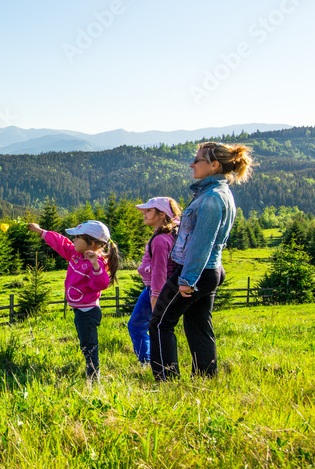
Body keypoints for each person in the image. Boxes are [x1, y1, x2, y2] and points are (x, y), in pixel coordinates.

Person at [150, 142, 254, 381]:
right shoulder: (217, 194)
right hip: (209, 270)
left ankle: (166, 380)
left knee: (159, 323)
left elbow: (201, 243)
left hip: (195, 271)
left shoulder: (211, 199)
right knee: (198, 325)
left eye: (197, 160)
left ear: (214, 165)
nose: (192, 164)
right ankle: (206, 379)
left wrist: (187, 280)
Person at [27, 220, 119, 382]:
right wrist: (41, 231)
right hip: (80, 310)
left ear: (91, 242)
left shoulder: (96, 263)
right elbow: (61, 242)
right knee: (85, 344)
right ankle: (91, 373)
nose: (74, 240)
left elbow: (101, 284)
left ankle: (93, 379)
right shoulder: (76, 254)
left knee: (89, 347)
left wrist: (95, 266)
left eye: (77, 237)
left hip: (88, 312)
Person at [129, 197, 182, 364]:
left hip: (156, 289)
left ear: (161, 214)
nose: (144, 213)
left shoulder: (159, 240)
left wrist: (155, 299)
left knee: (141, 326)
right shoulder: (172, 233)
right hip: (160, 288)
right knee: (140, 325)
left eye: (149, 210)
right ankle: (151, 360)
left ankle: (149, 361)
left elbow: (160, 271)